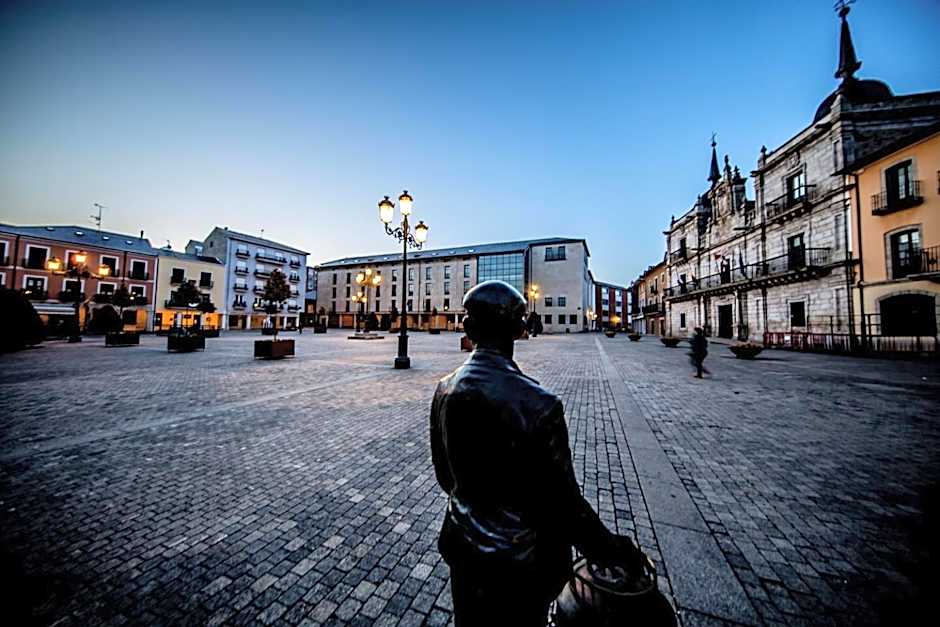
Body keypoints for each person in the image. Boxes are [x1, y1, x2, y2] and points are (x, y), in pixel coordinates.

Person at [429, 280, 644, 626]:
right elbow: (564, 505)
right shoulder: (540, 404)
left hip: (464, 549)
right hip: (521, 561)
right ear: (519, 328)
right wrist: (610, 549)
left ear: (469, 327)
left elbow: (444, 474)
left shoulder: (446, 387)